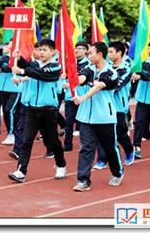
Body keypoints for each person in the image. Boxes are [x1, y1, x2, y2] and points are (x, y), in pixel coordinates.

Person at [8, 39, 67, 183]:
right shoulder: (35, 65)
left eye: (44, 50)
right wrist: (19, 58)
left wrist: (22, 71)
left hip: (48, 111)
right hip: (32, 110)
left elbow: (42, 74)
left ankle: (61, 164)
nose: (41, 53)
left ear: (53, 52)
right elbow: (30, 67)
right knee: (26, 141)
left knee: (52, 140)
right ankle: (21, 171)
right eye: (40, 50)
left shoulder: (55, 67)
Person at [72, 42, 124, 192]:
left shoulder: (111, 73)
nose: (88, 56)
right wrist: (73, 79)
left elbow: (99, 86)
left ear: (100, 54)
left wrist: (83, 98)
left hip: (104, 118)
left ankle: (117, 172)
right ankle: (83, 180)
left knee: (109, 148)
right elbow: (82, 78)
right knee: (86, 148)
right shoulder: (89, 68)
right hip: (86, 118)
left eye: (90, 53)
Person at [93, 41, 135, 169]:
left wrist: (100, 84)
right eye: (109, 52)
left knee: (120, 134)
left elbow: (116, 85)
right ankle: (102, 159)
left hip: (118, 107)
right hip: (104, 106)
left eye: (112, 52)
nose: (109, 55)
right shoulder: (106, 67)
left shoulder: (126, 70)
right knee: (101, 134)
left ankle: (129, 150)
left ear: (120, 53)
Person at [0, 40, 21, 146]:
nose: (8, 47)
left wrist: (0, 69)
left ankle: (12, 133)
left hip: (15, 89)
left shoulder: (19, 59)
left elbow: (9, 67)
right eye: (7, 46)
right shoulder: (2, 58)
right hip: (2, 89)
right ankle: (12, 133)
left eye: (11, 46)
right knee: (5, 111)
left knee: (9, 110)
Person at [63, 40, 90, 151]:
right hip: (70, 96)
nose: (77, 50)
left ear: (85, 51)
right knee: (69, 121)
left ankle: (85, 144)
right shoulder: (69, 62)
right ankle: (67, 145)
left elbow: (81, 78)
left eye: (80, 48)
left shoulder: (88, 64)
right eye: (76, 48)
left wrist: (69, 82)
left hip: (82, 97)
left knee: (84, 122)